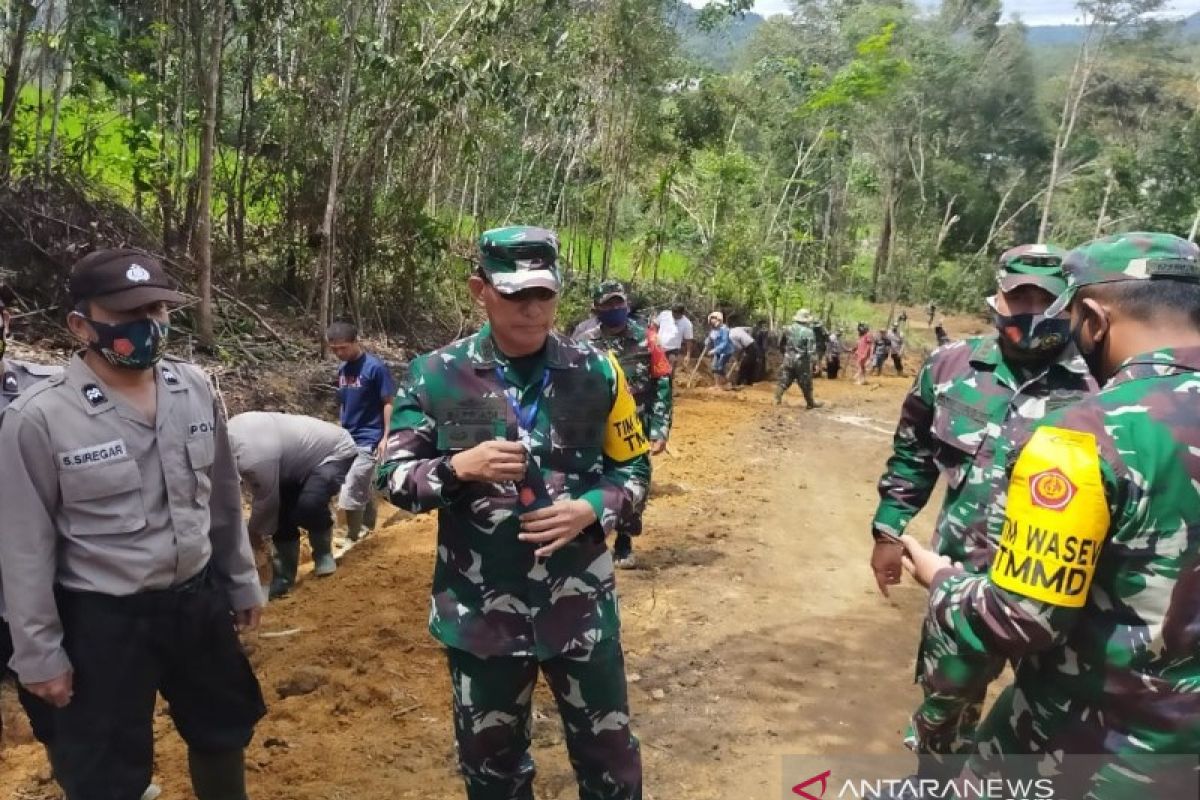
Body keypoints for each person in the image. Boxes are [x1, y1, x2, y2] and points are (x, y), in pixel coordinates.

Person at [900, 232, 1200, 794]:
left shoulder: (1088, 432)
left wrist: (941, 580)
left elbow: (1023, 618)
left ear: (1091, 316)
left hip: (1097, 751)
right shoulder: (951, 367)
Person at [377, 226, 648, 800]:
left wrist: (593, 508)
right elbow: (391, 477)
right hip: (483, 619)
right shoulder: (436, 374)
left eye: (544, 294)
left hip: (581, 612)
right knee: (492, 774)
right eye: (514, 293)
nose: (532, 308)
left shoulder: (597, 371)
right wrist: (457, 468)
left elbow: (634, 470)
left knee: (612, 767)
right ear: (480, 289)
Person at [0, 250, 265, 800]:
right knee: (106, 771)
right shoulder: (39, 418)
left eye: (158, 310)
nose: (148, 326)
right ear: (80, 324)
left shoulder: (192, 387)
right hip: (103, 620)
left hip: (196, 602)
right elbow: (24, 549)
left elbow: (221, 498)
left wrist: (240, 581)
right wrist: (39, 653)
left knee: (222, 728)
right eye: (127, 315)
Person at [870, 243, 1095, 757]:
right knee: (942, 714)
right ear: (997, 297)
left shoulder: (1099, 385)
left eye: (1046, 301)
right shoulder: (950, 367)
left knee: (1049, 730)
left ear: (1070, 307)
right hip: (960, 585)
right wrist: (888, 533)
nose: (1032, 314)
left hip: (1054, 602)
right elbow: (913, 452)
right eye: (1020, 299)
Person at [0, 284, 61, 753]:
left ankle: (93, 775)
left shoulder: (51, 392)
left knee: (60, 701)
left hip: (46, 582)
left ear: (6, 318)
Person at [576, 280, 672, 569]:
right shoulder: (582, 339)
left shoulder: (648, 339)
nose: (615, 308)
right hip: (592, 425)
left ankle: (624, 541)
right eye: (608, 304)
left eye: (619, 303)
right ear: (596, 308)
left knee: (633, 483)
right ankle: (590, 539)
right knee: (590, 479)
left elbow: (662, 382)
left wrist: (660, 428)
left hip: (634, 427)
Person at [227, 412, 360, 599]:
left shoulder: (254, 456)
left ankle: (323, 554)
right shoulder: (228, 441)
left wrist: (252, 538)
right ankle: (283, 578)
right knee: (281, 515)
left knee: (308, 505)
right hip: (291, 464)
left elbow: (266, 504)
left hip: (333, 451)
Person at [327, 320, 396, 544]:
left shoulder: (374, 368)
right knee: (359, 485)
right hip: (347, 436)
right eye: (334, 349)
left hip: (370, 436)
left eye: (343, 348)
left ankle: (352, 537)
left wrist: (386, 436)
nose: (339, 353)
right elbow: (344, 402)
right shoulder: (342, 369)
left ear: (356, 342)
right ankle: (367, 529)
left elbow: (388, 402)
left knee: (351, 486)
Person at [775, 309, 818, 409]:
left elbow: (780, 344)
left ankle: (776, 399)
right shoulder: (809, 332)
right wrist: (815, 363)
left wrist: (786, 354)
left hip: (788, 358)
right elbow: (811, 350)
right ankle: (810, 403)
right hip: (802, 361)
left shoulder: (787, 329)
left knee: (784, 379)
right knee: (806, 382)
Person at [655, 303, 694, 370]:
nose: (674, 315)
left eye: (677, 314)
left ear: (682, 313)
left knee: (670, 368)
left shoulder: (687, 324)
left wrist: (688, 355)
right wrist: (655, 337)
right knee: (657, 368)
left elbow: (689, 340)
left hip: (673, 349)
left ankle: (669, 379)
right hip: (658, 346)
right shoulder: (664, 314)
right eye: (673, 313)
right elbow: (655, 325)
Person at [706, 311, 735, 391]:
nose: (712, 320)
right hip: (718, 352)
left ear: (719, 319)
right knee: (714, 367)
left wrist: (715, 350)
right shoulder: (713, 330)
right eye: (711, 318)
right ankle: (717, 385)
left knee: (719, 367)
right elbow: (710, 339)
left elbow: (724, 343)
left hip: (726, 351)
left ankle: (727, 383)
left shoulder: (724, 329)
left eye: (714, 318)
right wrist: (707, 341)